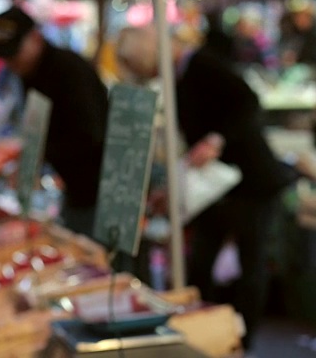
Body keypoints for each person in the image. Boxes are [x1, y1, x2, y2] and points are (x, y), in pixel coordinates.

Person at [116, 26, 296, 350]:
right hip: (218, 186)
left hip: (251, 180)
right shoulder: (180, 76)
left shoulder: (204, 65)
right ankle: (206, 335)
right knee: (201, 261)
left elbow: (247, 102)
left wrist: (217, 139)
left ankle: (240, 342)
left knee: (249, 265)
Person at [0, 6, 109, 238]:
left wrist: (40, 155)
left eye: (13, 54)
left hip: (101, 192)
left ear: (35, 37)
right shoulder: (29, 71)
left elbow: (89, 135)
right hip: (74, 189)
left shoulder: (69, 70)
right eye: (4, 57)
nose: (9, 63)